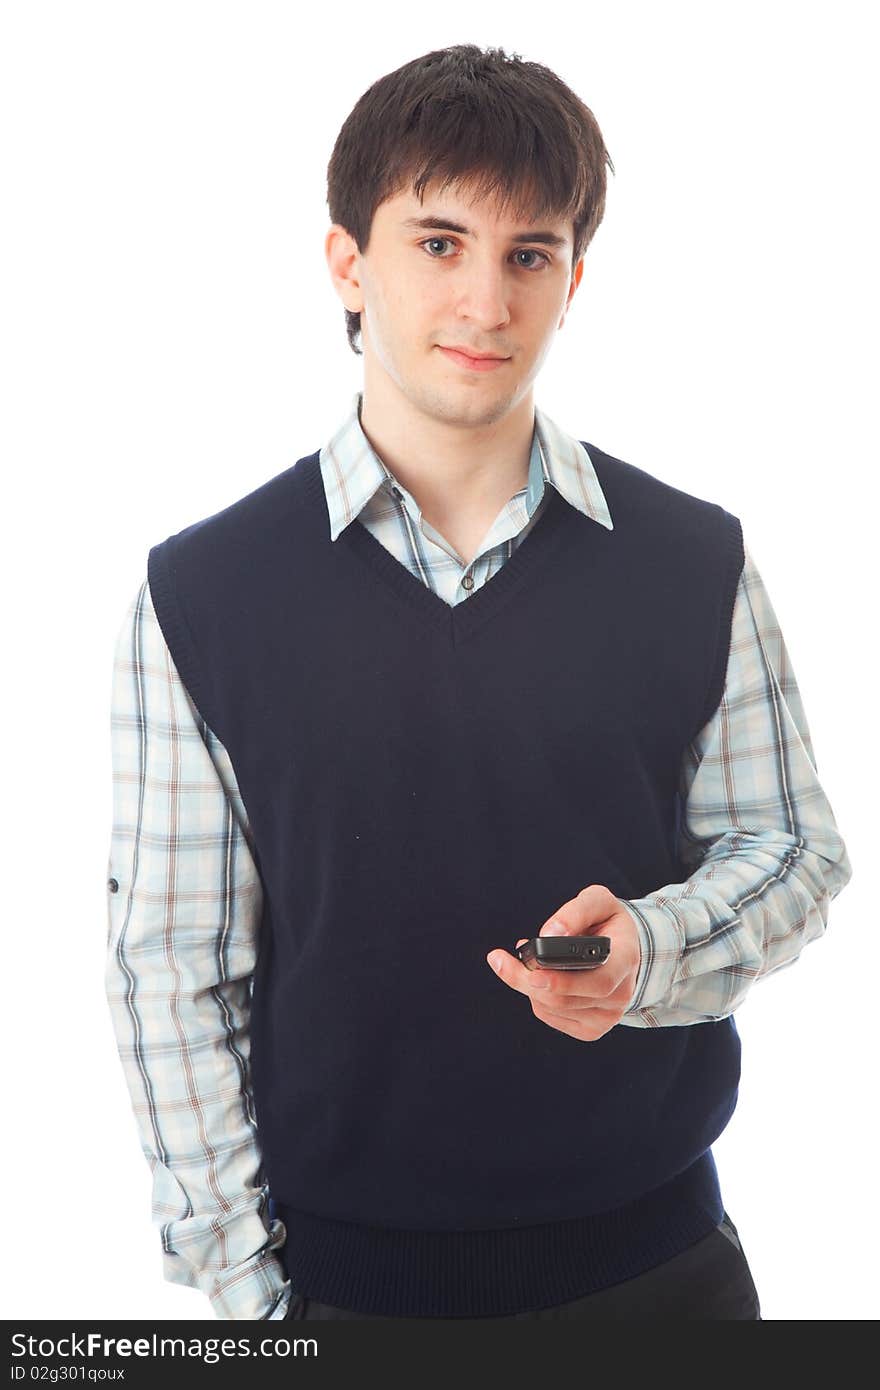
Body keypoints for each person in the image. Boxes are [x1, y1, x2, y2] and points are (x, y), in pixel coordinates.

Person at [104, 43, 852, 1323]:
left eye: (528, 254)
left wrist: (651, 952)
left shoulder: (694, 557)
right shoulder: (202, 595)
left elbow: (792, 849)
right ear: (349, 263)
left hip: (664, 1280)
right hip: (342, 1296)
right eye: (438, 243)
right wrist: (248, 1303)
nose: (486, 303)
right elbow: (172, 967)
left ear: (572, 278)